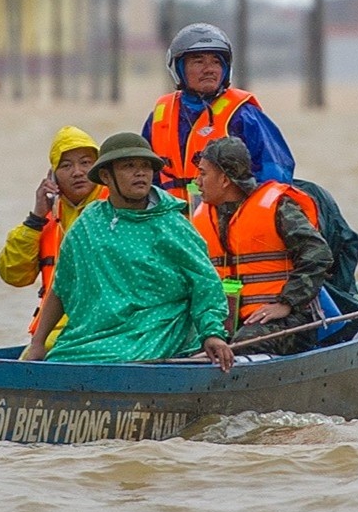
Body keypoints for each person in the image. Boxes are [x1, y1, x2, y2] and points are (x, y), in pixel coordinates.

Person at [25, 132, 233, 371]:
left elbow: (205, 284)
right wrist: (38, 343)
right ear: (106, 176)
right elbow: (61, 286)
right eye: (129, 166)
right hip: (90, 337)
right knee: (59, 359)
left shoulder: (172, 225)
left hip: (154, 335)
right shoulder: (89, 222)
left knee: (118, 360)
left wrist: (212, 334)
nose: (140, 173)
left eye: (146, 166)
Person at [192, 137, 334, 354]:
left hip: (288, 319)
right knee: (185, 342)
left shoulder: (277, 208)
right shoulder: (201, 216)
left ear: (224, 179)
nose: (197, 181)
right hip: (226, 321)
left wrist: (286, 303)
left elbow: (319, 254)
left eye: (203, 173)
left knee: (245, 344)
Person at [143, 22, 296, 209]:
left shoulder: (244, 115)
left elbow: (275, 175)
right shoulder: (160, 115)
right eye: (198, 61)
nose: (210, 69)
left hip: (226, 221)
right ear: (179, 69)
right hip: (171, 223)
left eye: (216, 61)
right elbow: (144, 174)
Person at [0, 126, 106, 350]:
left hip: (105, 325)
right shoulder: (44, 220)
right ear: (53, 177)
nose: (77, 172)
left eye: (86, 162)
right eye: (66, 166)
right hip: (54, 328)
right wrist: (36, 218)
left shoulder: (117, 207)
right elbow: (14, 275)